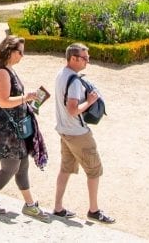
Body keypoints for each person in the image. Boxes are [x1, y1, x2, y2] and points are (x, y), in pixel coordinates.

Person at [0, 35, 50, 221]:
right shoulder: (1, 72)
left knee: (22, 165)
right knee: (11, 167)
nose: (22, 56)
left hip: (16, 128)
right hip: (5, 129)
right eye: (20, 52)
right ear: (9, 50)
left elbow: (13, 99)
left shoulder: (10, 70)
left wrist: (31, 104)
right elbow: (3, 101)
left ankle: (29, 205)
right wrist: (27, 97)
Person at [52, 43, 115, 224]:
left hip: (64, 131)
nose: (88, 61)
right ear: (73, 58)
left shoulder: (61, 74)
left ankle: (58, 208)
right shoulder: (74, 82)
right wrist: (89, 101)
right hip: (77, 133)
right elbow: (73, 110)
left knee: (65, 168)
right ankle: (94, 210)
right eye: (85, 58)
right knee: (94, 170)